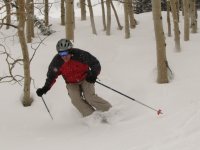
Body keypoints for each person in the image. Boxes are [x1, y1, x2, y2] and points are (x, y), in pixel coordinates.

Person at [36, 39, 112, 117]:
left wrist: (93, 74)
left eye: (65, 53)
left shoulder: (79, 55)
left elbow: (95, 63)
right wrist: (45, 88)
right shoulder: (57, 62)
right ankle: (92, 117)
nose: (64, 56)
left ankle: (110, 110)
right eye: (61, 54)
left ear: (70, 51)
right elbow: (51, 77)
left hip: (86, 78)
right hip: (71, 83)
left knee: (89, 97)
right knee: (76, 100)